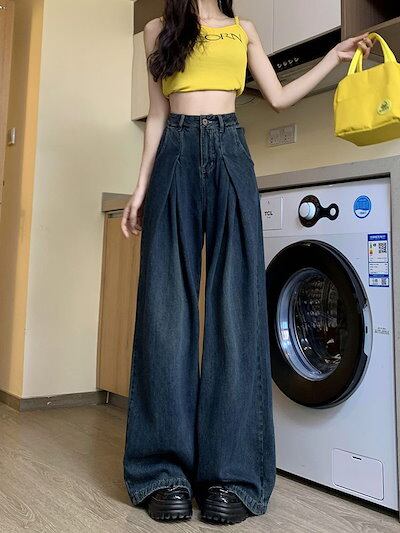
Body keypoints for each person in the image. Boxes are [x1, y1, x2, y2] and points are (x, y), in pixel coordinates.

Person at [121, 0, 373, 525]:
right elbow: (158, 115)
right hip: (174, 157)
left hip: (231, 154)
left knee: (236, 309)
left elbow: (278, 98)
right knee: (165, 309)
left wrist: (334, 56)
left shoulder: (243, 30)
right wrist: (140, 188)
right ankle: (163, 472)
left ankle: (231, 476)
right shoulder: (157, 30)